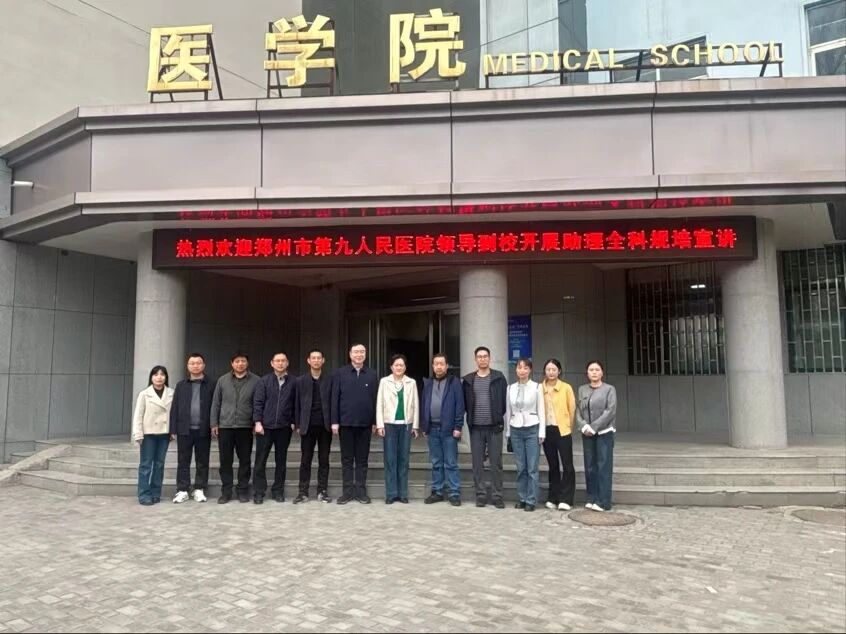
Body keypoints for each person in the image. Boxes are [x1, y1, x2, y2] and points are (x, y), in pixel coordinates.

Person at [330, 343, 378, 505]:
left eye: (362, 352)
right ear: (350, 354)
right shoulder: (340, 373)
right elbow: (335, 398)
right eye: (356, 352)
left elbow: (375, 399)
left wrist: (375, 421)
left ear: (365, 354)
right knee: (347, 460)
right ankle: (347, 492)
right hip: (345, 423)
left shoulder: (372, 374)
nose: (359, 355)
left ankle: (361, 492)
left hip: (365, 424)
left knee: (362, 460)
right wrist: (334, 421)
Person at [211, 352, 260, 504]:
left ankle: (242, 490)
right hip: (225, 426)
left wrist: (256, 422)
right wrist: (214, 423)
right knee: (225, 461)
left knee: (245, 460)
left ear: (247, 363)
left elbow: (258, 403)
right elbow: (216, 403)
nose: (240, 364)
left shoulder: (256, 381)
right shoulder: (222, 380)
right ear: (232, 363)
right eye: (237, 361)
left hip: (245, 426)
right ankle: (226, 492)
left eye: (243, 361)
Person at [462, 346, 508, 509]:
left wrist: (497, 417)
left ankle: (497, 496)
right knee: (477, 463)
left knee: (496, 463)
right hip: (476, 428)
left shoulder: (498, 377)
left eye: (485, 356)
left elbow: (504, 402)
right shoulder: (468, 380)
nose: (482, 359)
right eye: (479, 357)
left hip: (494, 427)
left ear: (489, 358)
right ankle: (480, 495)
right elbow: (466, 403)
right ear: (475, 359)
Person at [169, 353, 214, 504]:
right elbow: (175, 407)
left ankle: (199, 488)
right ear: (188, 366)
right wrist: (173, 429)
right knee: (183, 461)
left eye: (198, 363)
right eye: (192, 363)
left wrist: (214, 425)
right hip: (184, 429)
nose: (195, 366)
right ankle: (182, 490)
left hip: (203, 429)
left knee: (202, 461)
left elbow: (215, 406)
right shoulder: (181, 385)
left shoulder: (211, 384)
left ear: (204, 365)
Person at [420, 353, 465, 506]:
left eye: (441, 364)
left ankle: (454, 493)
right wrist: (424, 426)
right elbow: (424, 404)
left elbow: (460, 405)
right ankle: (437, 492)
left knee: (451, 463)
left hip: (449, 430)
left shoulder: (454, 382)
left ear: (446, 366)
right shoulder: (428, 383)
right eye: (436, 364)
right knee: (436, 462)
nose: (439, 367)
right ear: (433, 366)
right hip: (432, 429)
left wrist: (458, 426)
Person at [252, 352, 297, 504]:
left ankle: (278, 491)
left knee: (281, 461)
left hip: (284, 427)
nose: (280, 363)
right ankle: (259, 492)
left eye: (283, 361)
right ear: (272, 363)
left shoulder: (294, 382)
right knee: (260, 460)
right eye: (277, 361)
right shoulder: (264, 381)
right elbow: (258, 403)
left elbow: (296, 404)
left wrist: (293, 421)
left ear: (287, 363)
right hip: (265, 427)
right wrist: (257, 422)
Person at [376, 354, 420, 504]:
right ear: (391, 367)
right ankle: (391, 494)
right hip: (389, 424)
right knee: (390, 460)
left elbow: (415, 404)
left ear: (405, 367)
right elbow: (379, 404)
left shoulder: (411, 382)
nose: (399, 367)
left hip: (406, 425)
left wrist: (415, 426)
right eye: (396, 365)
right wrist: (380, 424)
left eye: (401, 365)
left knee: (404, 459)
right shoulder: (384, 382)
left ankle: (403, 493)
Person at [576, 360, 617, 512]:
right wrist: (583, 426)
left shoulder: (609, 389)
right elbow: (578, 410)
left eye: (597, 369)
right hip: (587, 432)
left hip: (604, 432)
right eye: (591, 370)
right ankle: (591, 497)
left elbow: (610, 411)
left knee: (603, 466)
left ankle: (603, 501)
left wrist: (594, 427)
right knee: (590, 466)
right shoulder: (582, 389)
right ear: (587, 373)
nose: (594, 372)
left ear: (602, 372)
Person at [505, 358, 545, 512]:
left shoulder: (537, 387)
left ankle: (531, 500)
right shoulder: (510, 388)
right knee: (520, 467)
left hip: (532, 428)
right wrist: (508, 432)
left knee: (532, 468)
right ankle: (522, 498)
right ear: (516, 370)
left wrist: (542, 432)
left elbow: (541, 410)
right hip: (516, 429)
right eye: (519, 367)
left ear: (530, 370)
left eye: (525, 368)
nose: (522, 370)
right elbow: (508, 411)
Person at [293, 349, 333, 504]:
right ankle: (303, 492)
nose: (316, 360)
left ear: (323, 360)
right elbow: (296, 404)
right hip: (307, 425)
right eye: (313, 358)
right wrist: (298, 423)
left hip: (325, 425)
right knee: (305, 460)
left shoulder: (329, 380)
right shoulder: (300, 381)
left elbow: (333, 402)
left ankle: (322, 491)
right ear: (308, 361)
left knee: (324, 460)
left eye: (319, 358)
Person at [131, 365, 174, 506]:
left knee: (159, 465)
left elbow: (174, 414)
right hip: (148, 434)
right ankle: (144, 494)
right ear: (151, 377)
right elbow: (138, 415)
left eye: (162, 374)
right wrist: (138, 434)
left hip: (164, 433)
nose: (159, 377)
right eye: (156, 375)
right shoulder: (144, 394)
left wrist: (173, 431)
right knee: (146, 465)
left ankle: (156, 493)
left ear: (166, 377)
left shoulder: (171, 393)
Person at [540, 358, 577, 511]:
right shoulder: (539, 388)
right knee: (553, 465)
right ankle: (553, 497)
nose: (551, 372)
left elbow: (572, 409)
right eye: (548, 369)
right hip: (547, 430)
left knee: (567, 465)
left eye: (554, 369)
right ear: (545, 371)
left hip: (563, 430)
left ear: (559, 371)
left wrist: (568, 427)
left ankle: (566, 499)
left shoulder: (566, 388)